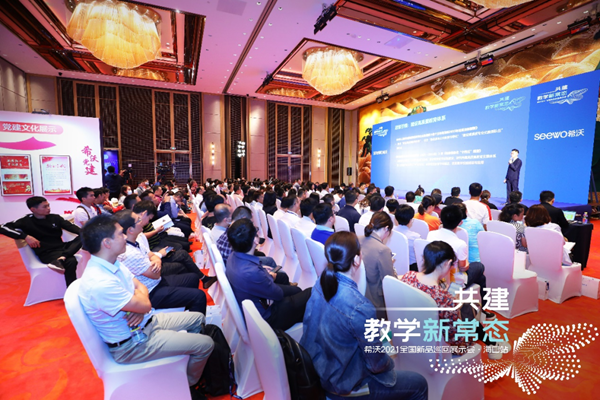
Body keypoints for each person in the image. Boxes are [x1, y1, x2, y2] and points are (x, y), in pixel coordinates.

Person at [77, 215, 213, 399]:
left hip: (143, 324)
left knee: (198, 318)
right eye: (120, 234)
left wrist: (140, 307)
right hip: (132, 344)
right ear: (107, 243)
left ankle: (183, 368)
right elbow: (144, 301)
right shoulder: (99, 281)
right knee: (205, 344)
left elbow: (141, 287)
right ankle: (186, 385)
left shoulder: (113, 262)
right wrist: (140, 305)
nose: (125, 237)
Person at [301, 232, 428, 400]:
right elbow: (377, 365)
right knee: (419, 383)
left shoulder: (320, 283)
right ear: (356, 259)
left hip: (318, 370)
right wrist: (389, 356)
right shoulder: (359, 307)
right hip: (345, 384)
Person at [114, 210, 209, 313]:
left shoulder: (135, 241)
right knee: (199, 296)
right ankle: (193, 320)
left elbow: (152, 255)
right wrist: (156, 259)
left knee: (193, 278)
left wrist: (156, 260)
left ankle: (187, 312)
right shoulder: (129, 253)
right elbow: (156, 274)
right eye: (138, 220)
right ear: (130, 230)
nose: (141, 221)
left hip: (155, 282)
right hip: (151, 292)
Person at [226, 219, 311, 330]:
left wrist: (265, 274)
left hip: (254, 301)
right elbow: (278, 294)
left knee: (286, 280)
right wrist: (268, 277)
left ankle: (296, 313)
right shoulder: (251, 272)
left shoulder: (232, 257)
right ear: (255, 240)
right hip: (267, 318)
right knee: (309, 292)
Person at [400, 241, 475, 354]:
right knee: (470, 313)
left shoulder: (408, 277)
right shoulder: (445, 299)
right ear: (447, 263)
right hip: (438, 348)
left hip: (410, 335)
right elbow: (456, 340)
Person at [427, 205, 494, 319]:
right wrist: (466, 262)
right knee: (479, 267)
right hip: (453, 282)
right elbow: (463, 268)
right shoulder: (459, 243)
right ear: (460, 222)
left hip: (434, 275)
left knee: (481, 277)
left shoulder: (431, 234)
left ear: (440, 219)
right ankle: (483, 308)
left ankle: (479, 308)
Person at [0, 196, 82, 285]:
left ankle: (62, 258)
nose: (48, 208)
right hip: (46, 252)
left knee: (84, 236)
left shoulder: (55, 218)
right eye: (44, 207)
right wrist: (25, 236)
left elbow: (72, 227)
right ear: (33, 209)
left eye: (48, 205)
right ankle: (71, 288)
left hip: (62, 247)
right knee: (71, 261)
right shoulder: (25, 220)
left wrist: (88, 232)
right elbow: (2, 227)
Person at [360, 212, 396, 319]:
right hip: (375, 300)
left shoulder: (358, 239)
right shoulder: (383, 250)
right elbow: (389, 281)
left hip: (360, 293)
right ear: (386, 228)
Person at [394, 205, 420, 271]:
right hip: (411, 268)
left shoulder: (390, 231)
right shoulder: (415, 237)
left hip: (394, 264)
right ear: (411, 220)